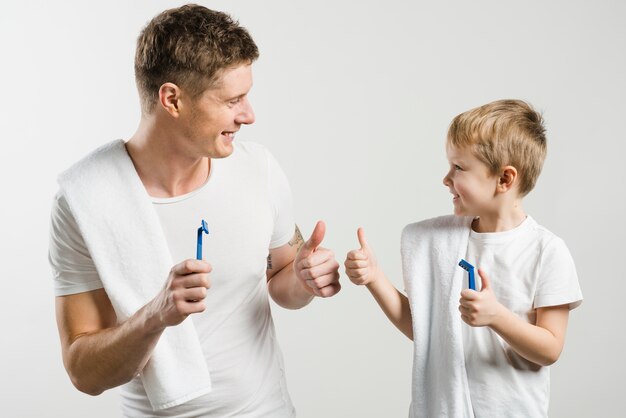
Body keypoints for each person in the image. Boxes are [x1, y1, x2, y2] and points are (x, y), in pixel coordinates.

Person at [48, 4, 340, 417]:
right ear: (172, 99)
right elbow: (84, 373)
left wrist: (305, 277)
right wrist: (156, 315)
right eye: (232, 100)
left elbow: (281, 281)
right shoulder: (84, 200)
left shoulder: (260, 169)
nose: (249, 115)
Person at [344, 99, 582, 417]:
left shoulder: (546, 252)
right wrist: (375, 277)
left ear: (505, 179)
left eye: (458, 168)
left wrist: (497, 316)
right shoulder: (442, 244)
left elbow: (550, 348)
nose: (446, 179)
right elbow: (427, 330)